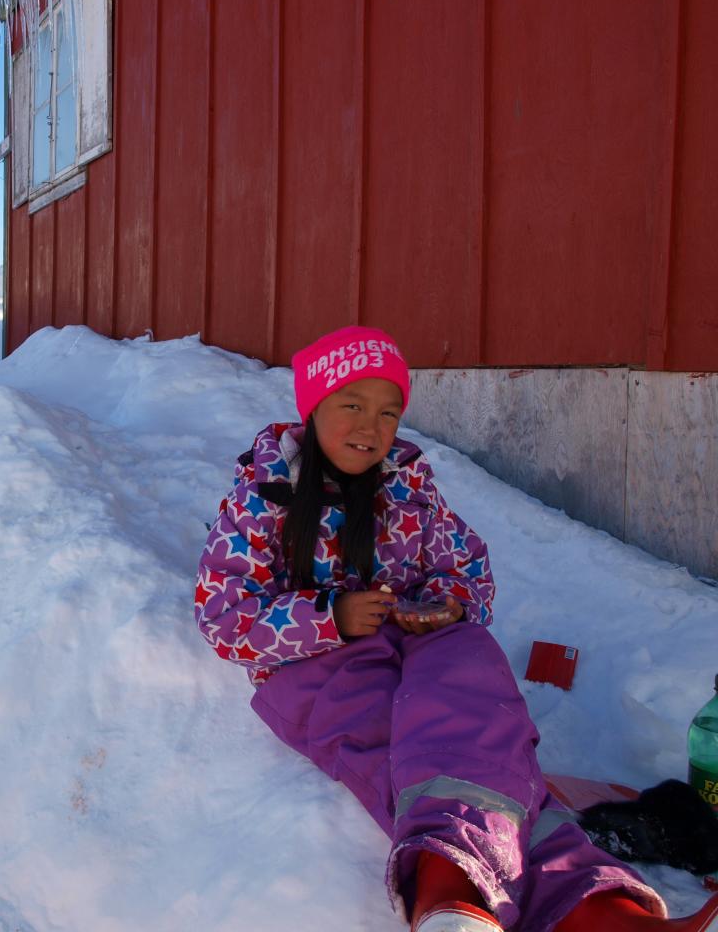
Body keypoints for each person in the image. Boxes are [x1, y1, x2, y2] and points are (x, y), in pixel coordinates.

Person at [193, 325, 718, 932]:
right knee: (440, 758)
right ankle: (505, 896)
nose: (372, 427)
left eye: (389, 412)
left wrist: (446, 606)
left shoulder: (407, 487)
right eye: (352, 406)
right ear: (312, 407)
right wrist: (330, 618)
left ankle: (574, 914)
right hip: (321, 666)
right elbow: (224, 616)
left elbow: (466, 564)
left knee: (473, 681)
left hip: (420, 643)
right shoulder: (265, 498)